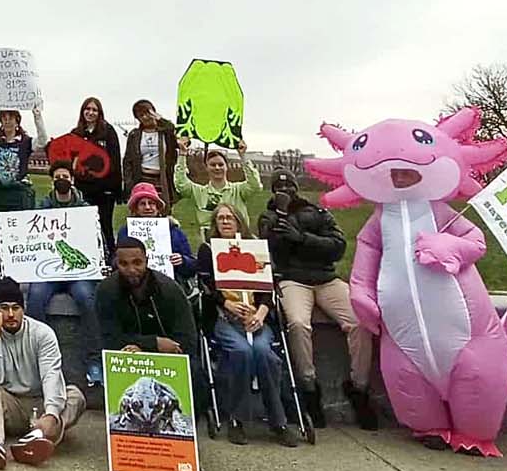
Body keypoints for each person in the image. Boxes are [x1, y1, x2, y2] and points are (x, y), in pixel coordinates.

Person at [258, 169, 377, 429]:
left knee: (360, 322)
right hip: (292, 279)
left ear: (296, 187)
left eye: (289, 186)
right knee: (299, 324)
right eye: (279, 188)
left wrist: (303, 239)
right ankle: (309, 388)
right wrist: (279, 221)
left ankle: (359, 387)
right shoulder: (268, 217)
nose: (285, 191)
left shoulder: (318, 213)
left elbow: (338, 246)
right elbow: (268, 252)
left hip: (326, 279)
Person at [197, 203, 298, 446]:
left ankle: (278, 421)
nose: (225, 221)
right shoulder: (208, 250)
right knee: (241, 352)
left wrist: (261, 313)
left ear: (239, 220)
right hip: (226, 318)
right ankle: (237, 419)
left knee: (264, 352)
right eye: (220, 218)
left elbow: (268, 289)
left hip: (256, 317)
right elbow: (207, 286)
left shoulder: (255, 249)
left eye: (230, 217)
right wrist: (226, 304)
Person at [0, 277, 87, 468]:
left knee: (75, 396)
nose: (10, 314)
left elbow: (51, 374)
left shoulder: (43, 333)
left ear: (24, 309)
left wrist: (52, 414)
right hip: (11, 408)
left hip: (41, 407)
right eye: (4, 308)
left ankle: (36, 438)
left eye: (16, 308)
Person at [25, 163, 103, 387]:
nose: (62, 179)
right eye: (57, 176)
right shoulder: (41, 209)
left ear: (72, 180)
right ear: (52, 181)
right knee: (36, 297)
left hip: (78, 272)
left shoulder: (86, 208)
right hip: (48, 270)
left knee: (87, 299)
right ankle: (36, 358)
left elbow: (96, 241)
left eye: (65, 176)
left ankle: (94, 361)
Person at [96, 236, 197, 357]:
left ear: (147, 261)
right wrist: (151, 344)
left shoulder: (169, 289)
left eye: (137, 263)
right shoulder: (106, 290)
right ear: (116, 263)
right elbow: (107, 338)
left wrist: (149, 349)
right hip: (126, 356)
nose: (131, 269)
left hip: (170, 357)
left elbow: (188, 339)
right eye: (124, 264)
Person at [173, 135, 261, 237]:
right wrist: (182, 154)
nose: (217, 167)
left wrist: (243, 156)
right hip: (210, 241)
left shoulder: (238, 190)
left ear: (226, 167)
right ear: (206, 167)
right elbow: (181, 184)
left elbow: (255, 185)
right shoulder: (198, 192)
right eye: (213, 165)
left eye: (220, 164)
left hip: (239, 239)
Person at [66, 96, 122, 252]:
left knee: (105, 226)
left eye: (94, 110)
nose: (90, 113)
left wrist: (116, 189)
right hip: (83, 189)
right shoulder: (75, 133)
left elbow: (115, 160)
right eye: (88, 109)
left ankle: (110, 257)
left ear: (99, 113)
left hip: (104, 190)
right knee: (84, 226)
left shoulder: (108, 131)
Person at [117, 182, 196, 282]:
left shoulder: (174, 230)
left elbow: (192, 266)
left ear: (158, 208)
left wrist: (182, 261)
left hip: (170, 282)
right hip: (133, 281)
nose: (147, 207)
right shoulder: (125, 232)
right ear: (135, 209)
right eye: (142, 204)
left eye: (151, 203)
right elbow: (115, 262)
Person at [122, 98, 180, 206]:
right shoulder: (134, 135)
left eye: (147, 113)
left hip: (162, 178)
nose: (144, 117)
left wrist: (160, 119)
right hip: (142, 177)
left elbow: (173, 130)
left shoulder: (165, 133)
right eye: (140, 116)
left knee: (162, 208)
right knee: (143, 209)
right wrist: (128, 183)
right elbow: (127, 161)